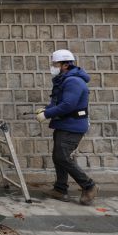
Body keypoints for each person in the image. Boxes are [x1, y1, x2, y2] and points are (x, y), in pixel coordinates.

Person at [37, 49, 98, 205]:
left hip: (73, 125)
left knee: (62, 157)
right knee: (58, 157)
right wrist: (47, 109)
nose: (53, 66)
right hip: (65, 123)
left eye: (55, 64)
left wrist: (47, 115)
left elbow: (68, 105)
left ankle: (88, 186)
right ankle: (60, 189)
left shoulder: (73, 81)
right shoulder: (64, 79)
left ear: (64, 65)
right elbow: (59, 101)